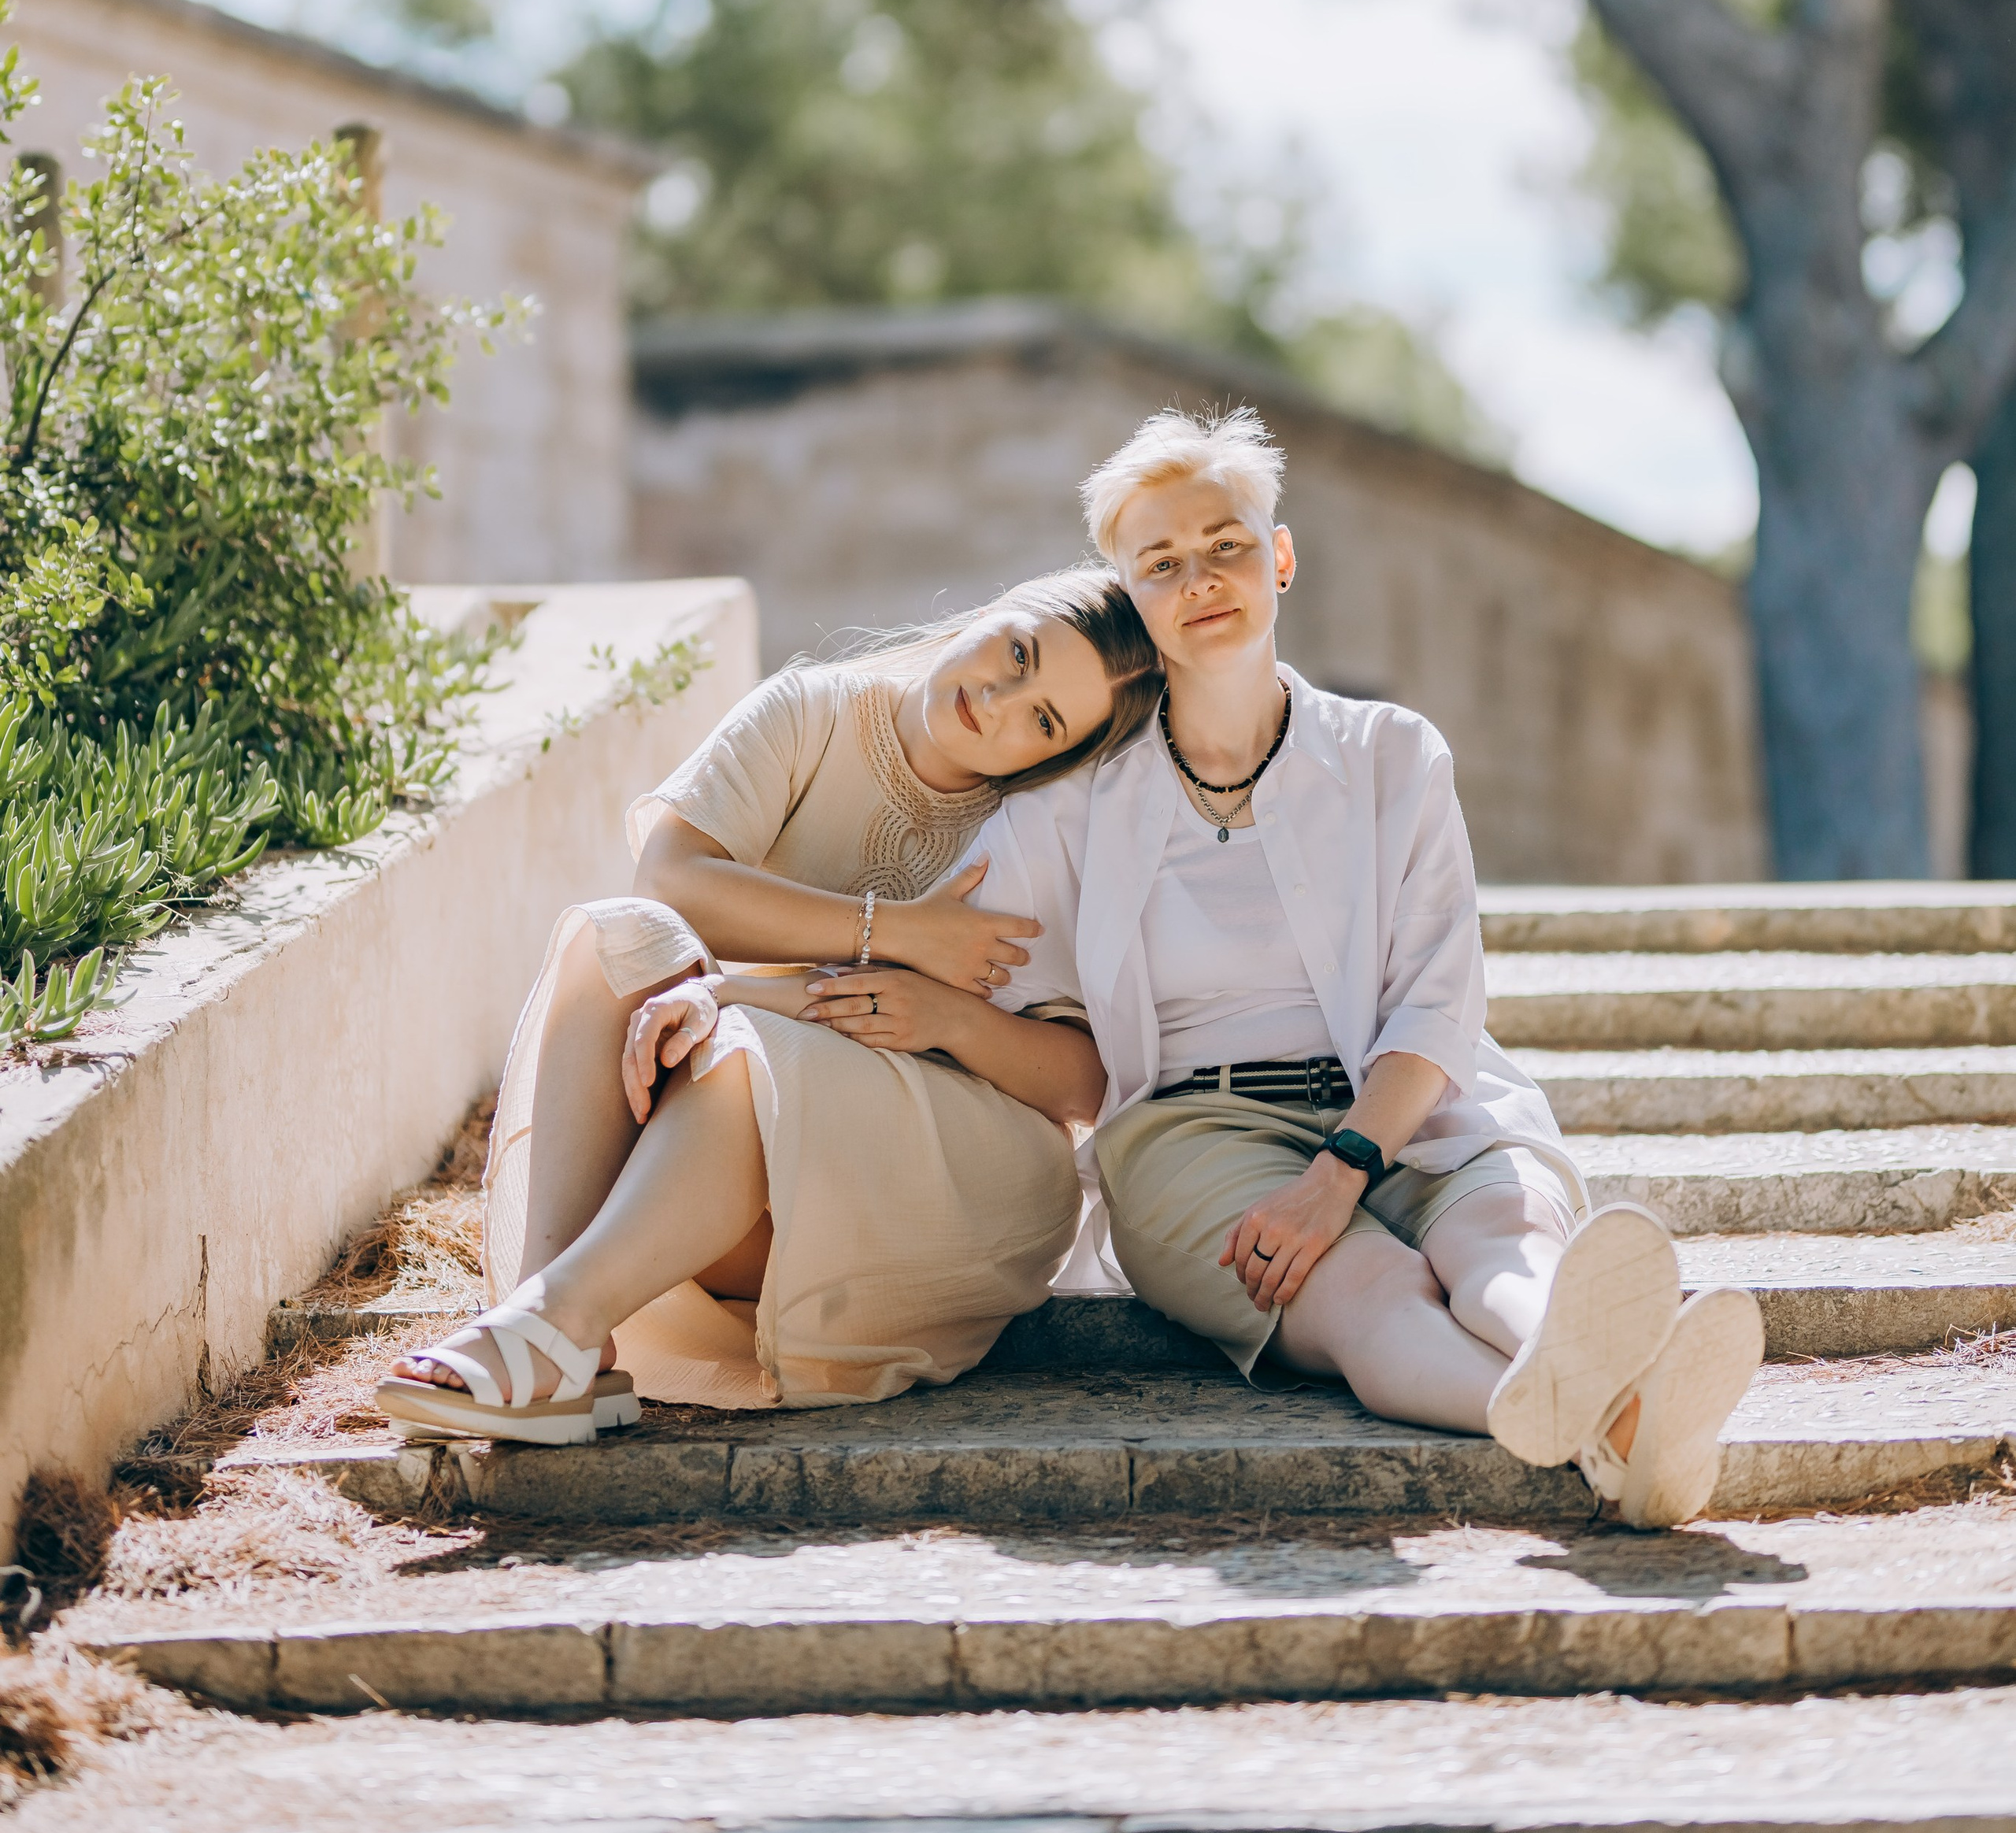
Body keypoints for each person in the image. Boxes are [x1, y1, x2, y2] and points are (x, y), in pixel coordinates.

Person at [837, 408, 1760, 1530]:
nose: (1199, 579)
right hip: (1196, 1141)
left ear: (1278, 557)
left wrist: (1340, 1171)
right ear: (1132, 600)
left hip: (1415, 1102)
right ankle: (1617, 1416)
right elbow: (923, 939)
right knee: (1373, 1294)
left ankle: (1610, 1419)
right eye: (1161, 564)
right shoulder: (1069, 809)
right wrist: (724, 986)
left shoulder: (1393, 756)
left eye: (1225, 545)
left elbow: (1438, 999)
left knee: (1502, 1247)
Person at [375, 568, 1157, 1440]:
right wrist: (894, 931)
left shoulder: (1039, 825)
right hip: (721, 1143)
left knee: (745, 1055)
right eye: (1018, 653)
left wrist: (949, 1017)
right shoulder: (814, 713)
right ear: (994, 610)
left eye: (1044, 721)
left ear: (1058, 755)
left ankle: (551, 1327)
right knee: (618, 939)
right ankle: (552, 1327)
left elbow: (1085, 1084)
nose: (1001, 701)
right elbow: (669, 878)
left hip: (932, 1177)